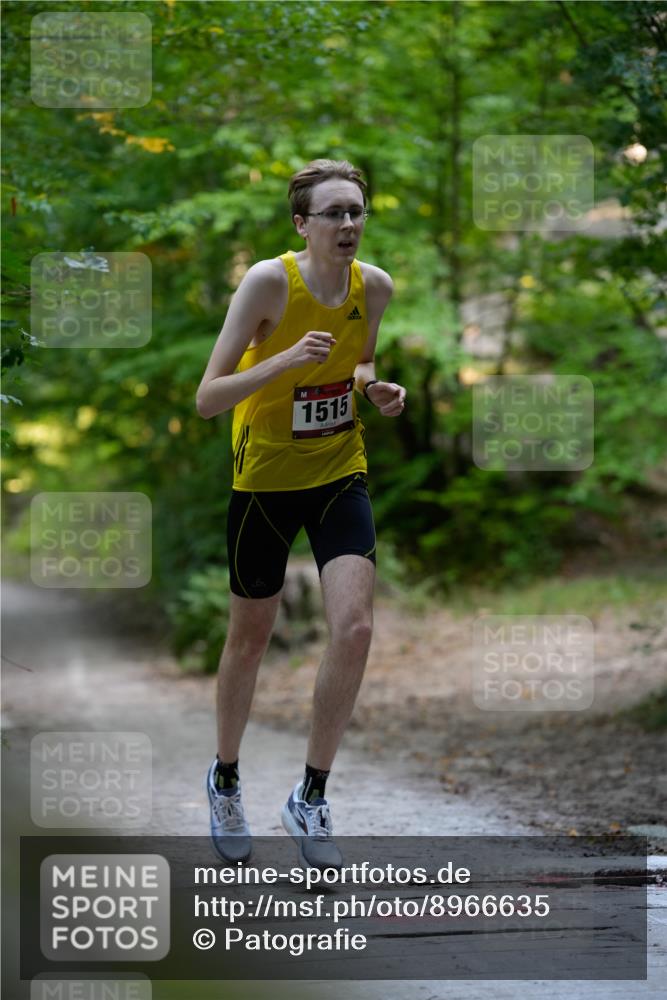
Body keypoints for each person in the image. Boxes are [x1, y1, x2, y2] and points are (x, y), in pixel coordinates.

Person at [196, 158, 406, 870]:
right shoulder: (266, 282)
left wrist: (374, 389)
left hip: (337, 469)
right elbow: (209, 395)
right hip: (263, 479)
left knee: (354, 625)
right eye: (334, 214)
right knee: (250, 636)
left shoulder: (372, 287)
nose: (348, 225)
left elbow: (359, 363)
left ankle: (310, 796)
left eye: (356, 213)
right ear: (301, 223)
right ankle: (225, 777)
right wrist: (281, 362)